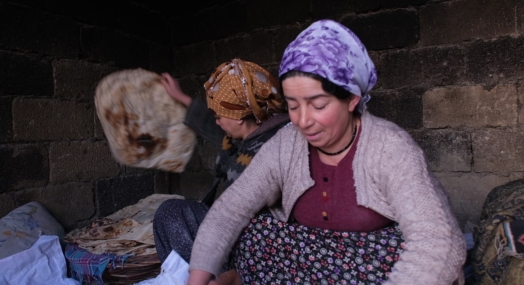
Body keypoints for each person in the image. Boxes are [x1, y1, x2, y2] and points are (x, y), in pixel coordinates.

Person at [187, 19, 467, 285]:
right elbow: (230, 210)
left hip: (376, 274)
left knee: (400, 248)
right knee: (255, 230)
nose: (303, 120)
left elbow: (438, 240)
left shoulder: (390, 148)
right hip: (311, 266)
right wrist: (197, 280)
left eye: (318, 105)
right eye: (293, 106)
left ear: (352, 99)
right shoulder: (287, 144)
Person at [152, 59, 290, 283]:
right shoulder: (248, 131)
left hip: (258, 246)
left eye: (219, 116)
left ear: (239, 115)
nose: (216, 122)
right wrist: (180, 97)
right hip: (237, 234)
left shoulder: (277, 147)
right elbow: (211, 124)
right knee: (171, 211)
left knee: (172, 214)